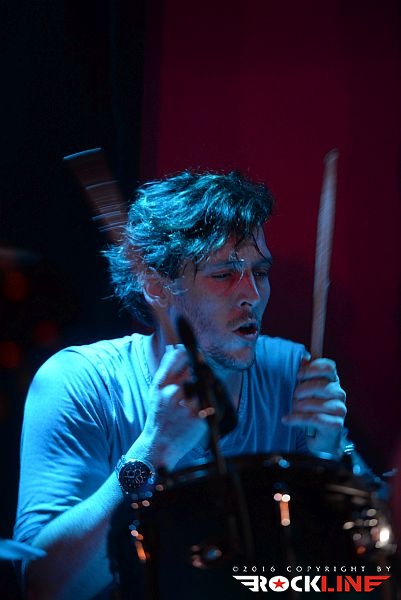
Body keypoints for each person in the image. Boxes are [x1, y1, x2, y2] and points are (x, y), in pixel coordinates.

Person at [14, 170, 346, 599]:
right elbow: (44, 587)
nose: (252, 294)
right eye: (224, 274)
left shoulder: (291, 371)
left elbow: (346, 568)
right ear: (157, 286)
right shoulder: (80, 380)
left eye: (260, 271)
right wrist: (154, 450)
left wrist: (325, 459)